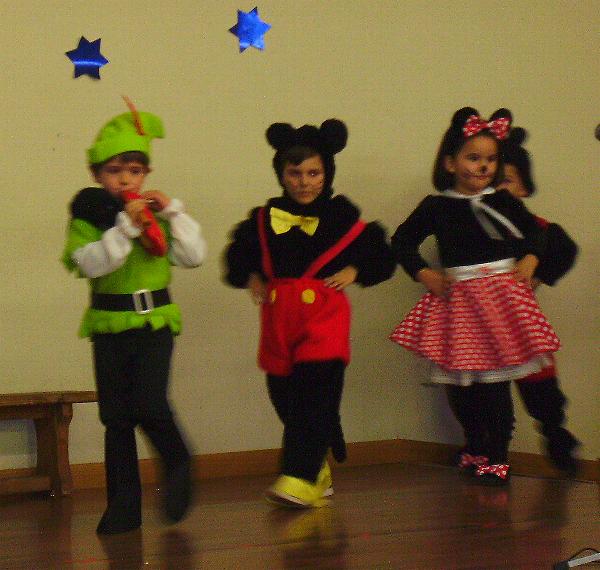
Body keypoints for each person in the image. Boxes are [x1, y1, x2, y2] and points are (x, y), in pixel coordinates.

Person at [224, 119, 395, 507]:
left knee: (314, 392)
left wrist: (356, 270)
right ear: (282, 175)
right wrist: (252, 274)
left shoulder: (343, 219)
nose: (304, 182)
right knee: (284, 395)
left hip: (323, 319)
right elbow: (239, 254)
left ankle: (299, 476)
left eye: (313, 173)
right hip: (278, 320)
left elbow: (380, 255)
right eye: (295, 173)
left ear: (327, 173)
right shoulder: (263, 220)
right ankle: (316, 468)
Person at [389, 107, 560, 485]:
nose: (483, 166)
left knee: (495, 384)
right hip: (460, 304)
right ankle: (476, 444)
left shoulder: (504, 202)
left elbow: (537, 233)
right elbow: (401, 241)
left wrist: (531, 259)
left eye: (490, 159)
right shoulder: (436, 206)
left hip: (501, 303)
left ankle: (498, 455)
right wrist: (425, 273)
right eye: (473, 158)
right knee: (462, 385)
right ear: (450, 162)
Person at [62, 100, 207, 534]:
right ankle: (123, 506)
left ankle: (178, 461)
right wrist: (124, 227)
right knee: (116, 417)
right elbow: (92, 263)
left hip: (153, 324)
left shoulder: (158, 218)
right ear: (96, 174)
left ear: (146, 174)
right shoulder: (89, 218)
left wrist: (173, 212)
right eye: (114, 170)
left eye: (135, 170)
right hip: (108, 326)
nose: (125, 179)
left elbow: (193, 256)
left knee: (149, 403)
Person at [497, 127, 579, 475]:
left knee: (540, 383)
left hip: (519, 323)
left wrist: (537, 275)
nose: (497, 188)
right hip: (475, 323)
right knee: (482, 394)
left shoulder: (538, 229)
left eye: (506, 180)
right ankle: (486, 450)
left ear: (523, 188)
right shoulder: (468, 225)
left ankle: (555, 434)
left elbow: (563, 248)